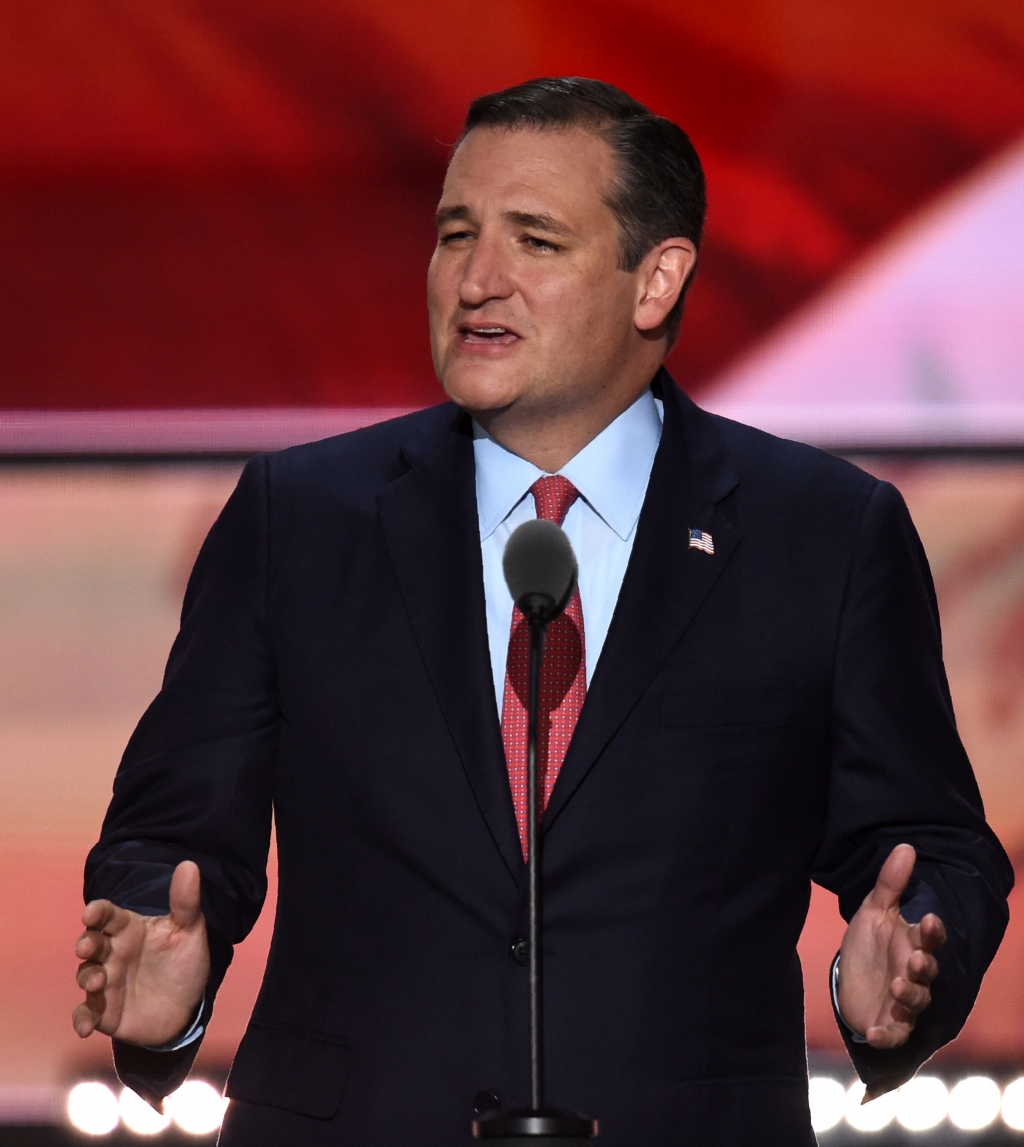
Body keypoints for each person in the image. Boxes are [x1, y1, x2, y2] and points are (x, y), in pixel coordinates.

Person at [73, 78, 1012, 1146]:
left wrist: (896, 969)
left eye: (535, 242)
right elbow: (172, 829)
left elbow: (932, 845)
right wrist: (164, 956)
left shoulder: (823, 535)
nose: (476, 279)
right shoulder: (300, 519)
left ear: (654, 280)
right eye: (455, 233)